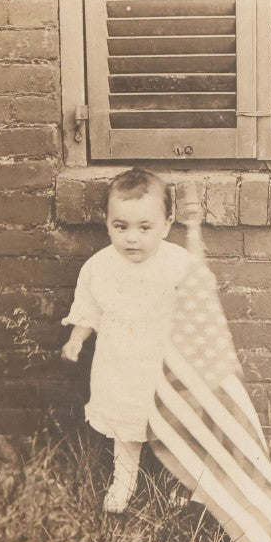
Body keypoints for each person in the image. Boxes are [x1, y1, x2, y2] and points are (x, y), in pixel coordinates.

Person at [61, 168, 191, 513]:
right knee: (125, 424)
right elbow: (88, 306)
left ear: (166, 224)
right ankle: (124, 482)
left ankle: (177, 480)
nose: (132, 238)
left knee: (171, 423)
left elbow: (198, 306)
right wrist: (77, 338)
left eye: (144, 228)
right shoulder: (99, 266)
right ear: (107, 224)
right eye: (121, 227)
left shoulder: (178, 263)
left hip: (162, 361)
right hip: (119, 362)